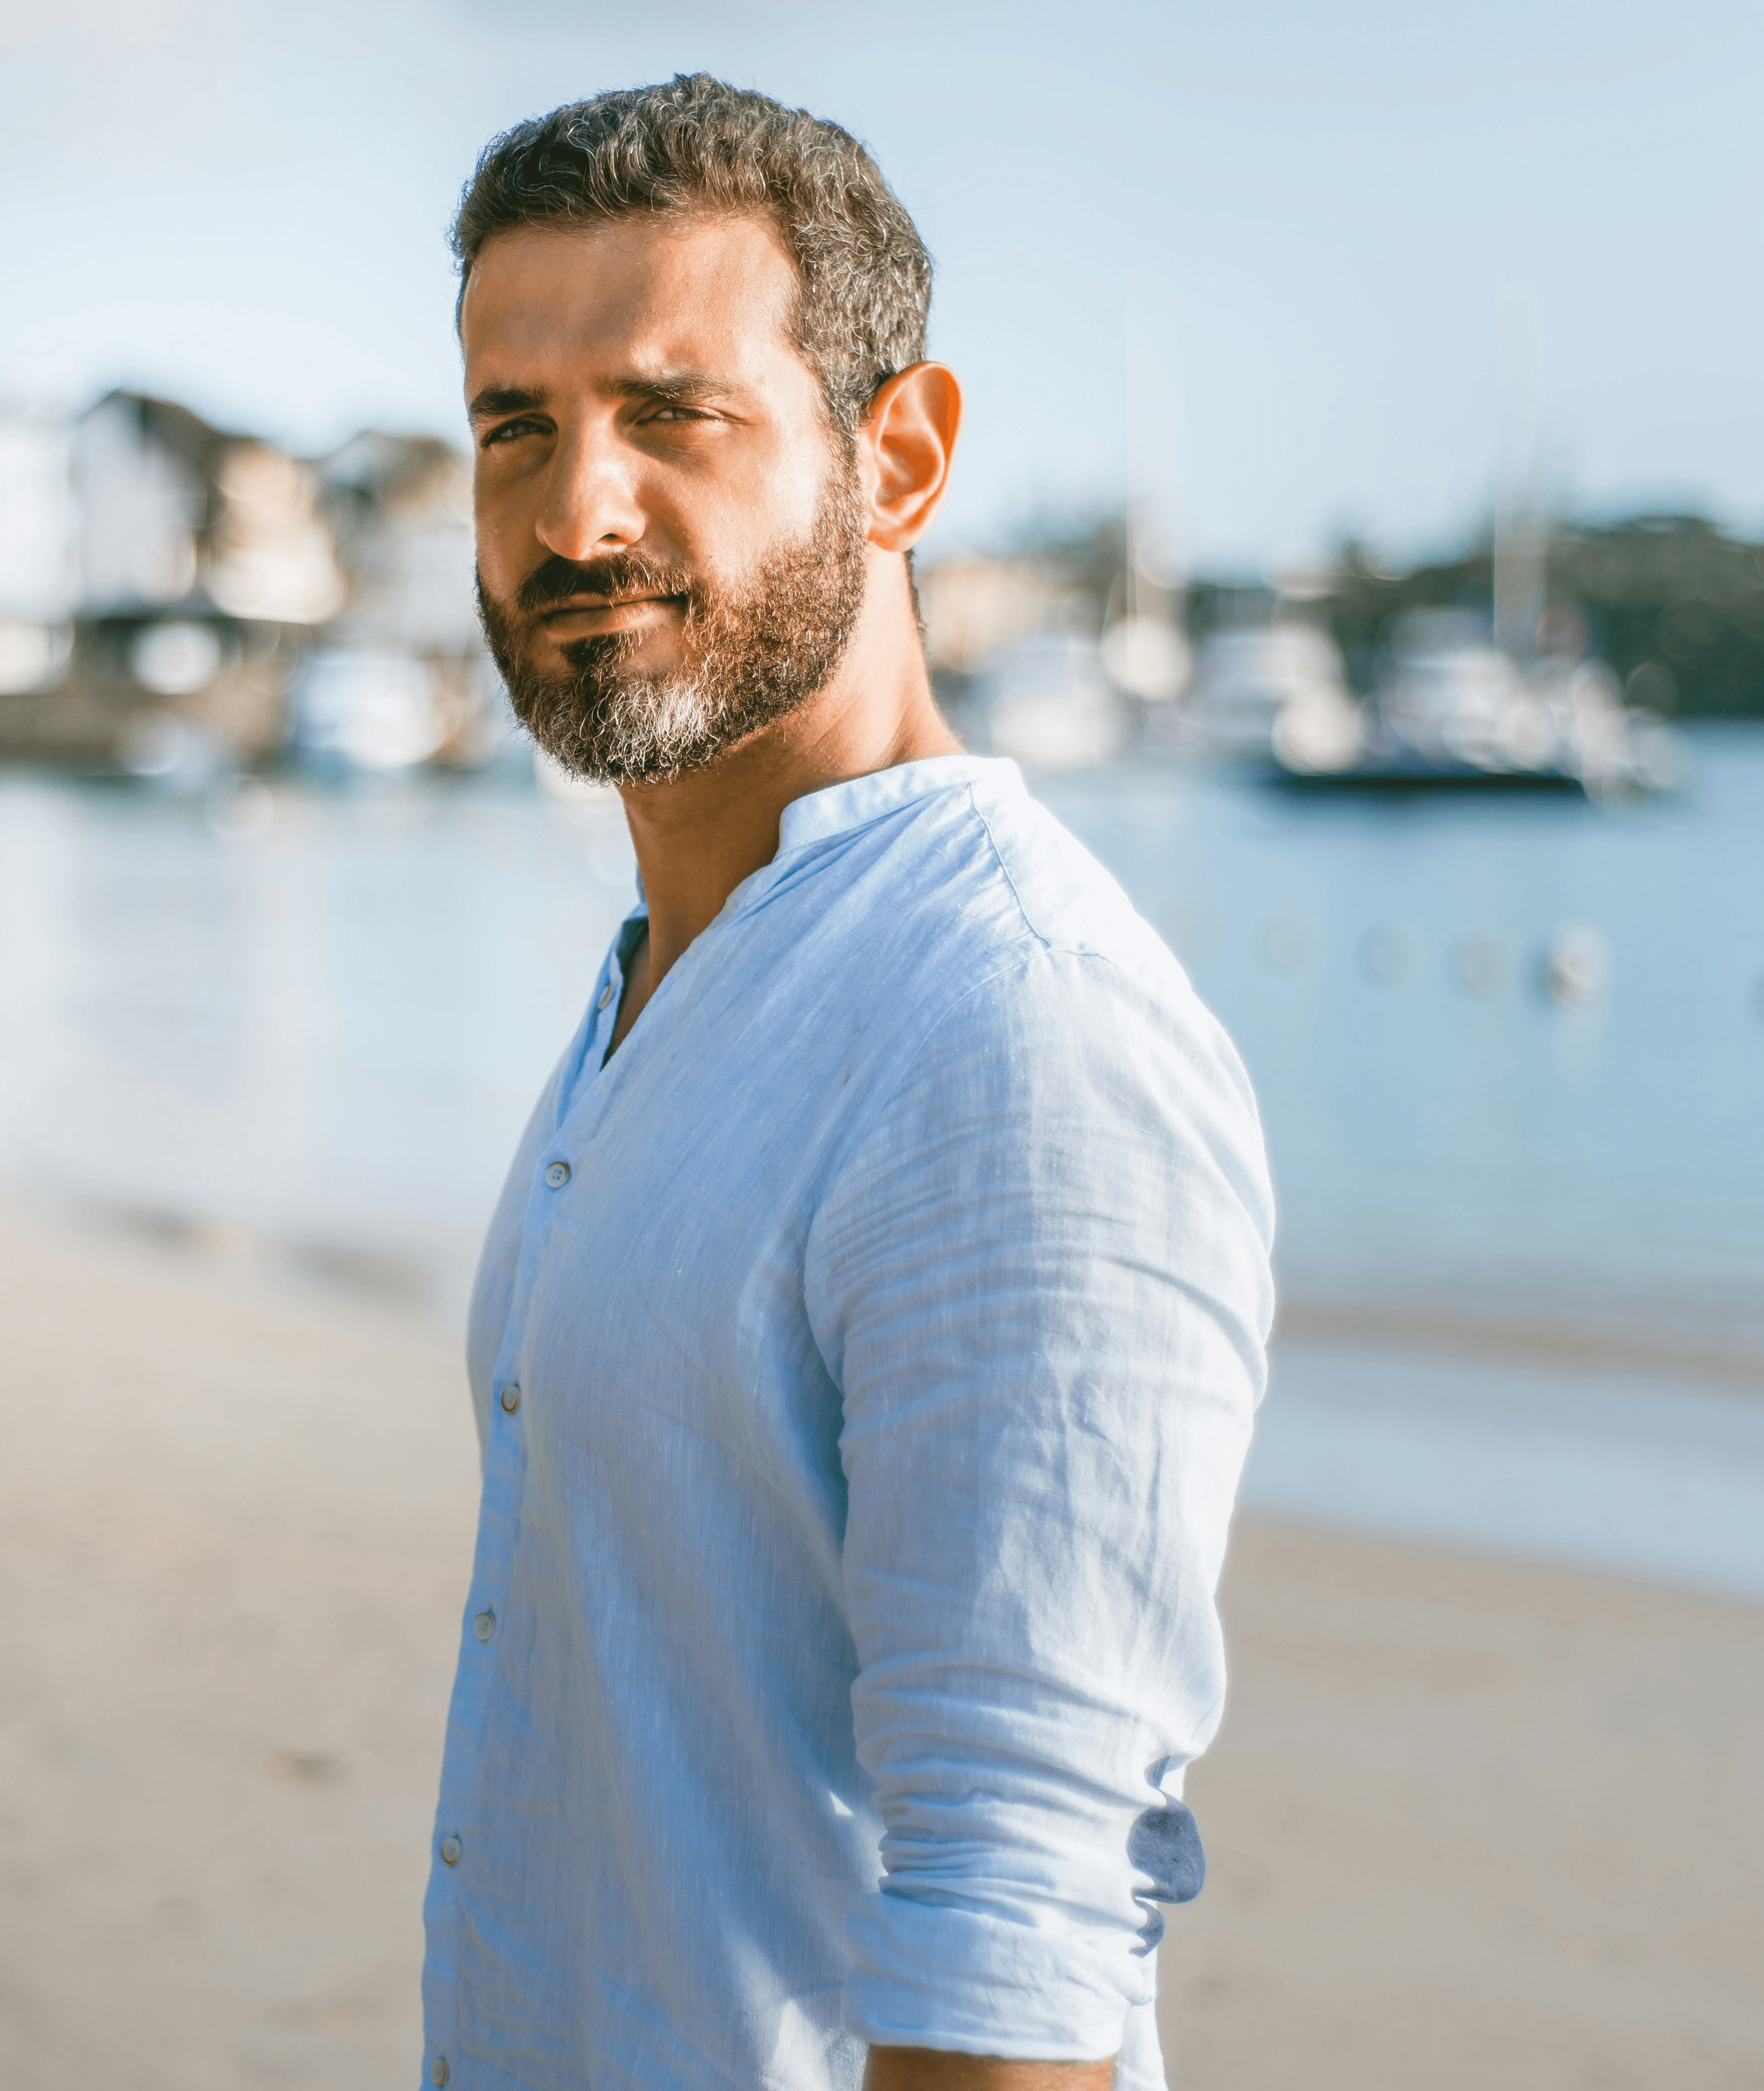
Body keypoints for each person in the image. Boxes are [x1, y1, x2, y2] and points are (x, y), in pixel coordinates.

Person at [421, 74, 1274, 2091]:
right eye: (511, 429)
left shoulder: (1010, 1032)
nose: (574, 513)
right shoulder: (678, 970)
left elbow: (1025, 1926)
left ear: (896, 457)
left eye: (671, 412)